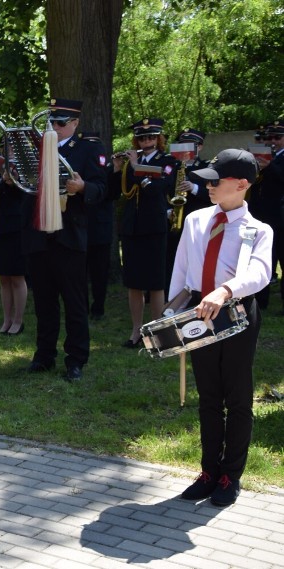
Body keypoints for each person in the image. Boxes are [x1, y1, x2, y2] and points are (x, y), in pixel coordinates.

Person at [172, 149, 272, 507]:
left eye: (217, 180)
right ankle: (209, 470)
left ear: (241, 184)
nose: (209, 185)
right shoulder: (197, 220)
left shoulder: (259, 230)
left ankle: (231, 474)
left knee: (237, 395)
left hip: (237, 311)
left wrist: (225, 290)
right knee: (208, 395)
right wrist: (171, 314)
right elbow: (182, 270)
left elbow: (259, 274)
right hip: (200, 311)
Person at [23, 99, 107, 382]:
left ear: (75, 123)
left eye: (59, 123)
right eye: (51, 122)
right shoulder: (38, 147)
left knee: (74, 302)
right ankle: (44, 355)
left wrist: (84, 187)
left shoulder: (88, 148)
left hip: (70, 234)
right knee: (44, 301)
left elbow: (103, 188)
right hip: (39, 235)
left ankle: (76, 360)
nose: (54, 128)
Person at [110, 117, 177, 348]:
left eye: (150, 137)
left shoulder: (168, 161)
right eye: (141, 137)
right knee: (134, 282)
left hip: (154, 227)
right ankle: (136, 330)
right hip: (132, 227)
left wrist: (138, 167)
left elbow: (160, 189)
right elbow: (122, 191)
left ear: (159, 138)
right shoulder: (129, 162)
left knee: (156, 282)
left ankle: (157, 332)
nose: (146, 140)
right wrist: (119, 169)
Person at [166, 128, 210, 289]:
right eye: (183, 145)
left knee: (196, 260)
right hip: (174, 220)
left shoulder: (207, 167)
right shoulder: (172, 168)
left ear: (200, 147)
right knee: (173, 258)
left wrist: (193, 187)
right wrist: (168, 210)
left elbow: (212, 195)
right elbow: (163, 191)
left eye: (192, 145)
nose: (187, 149)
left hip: (198, 222)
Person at [248, 118, 284, 310]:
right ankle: (260, 301)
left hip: (280, 216)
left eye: (278, 137)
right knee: (262, 258)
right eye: (271, 137)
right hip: (261, 214)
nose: (273, 141)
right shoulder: (265, 155)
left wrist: (269, 166)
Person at [0, 152, 27, 335]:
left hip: (17, 228)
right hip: (0, 228)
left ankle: (19, 321)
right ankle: (7, 320)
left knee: (17, 277)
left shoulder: (23, 170)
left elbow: (23, 196)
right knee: (4, 277)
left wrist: (12, 180)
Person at [81, 132, 114, 321]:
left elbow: (110, 193)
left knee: (99, 272)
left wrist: (116, 171)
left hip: (101, 228)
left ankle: (98, 307)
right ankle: (83, 307)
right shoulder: (81, 171)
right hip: (84, 226)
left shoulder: (107, 170)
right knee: (80, 272)